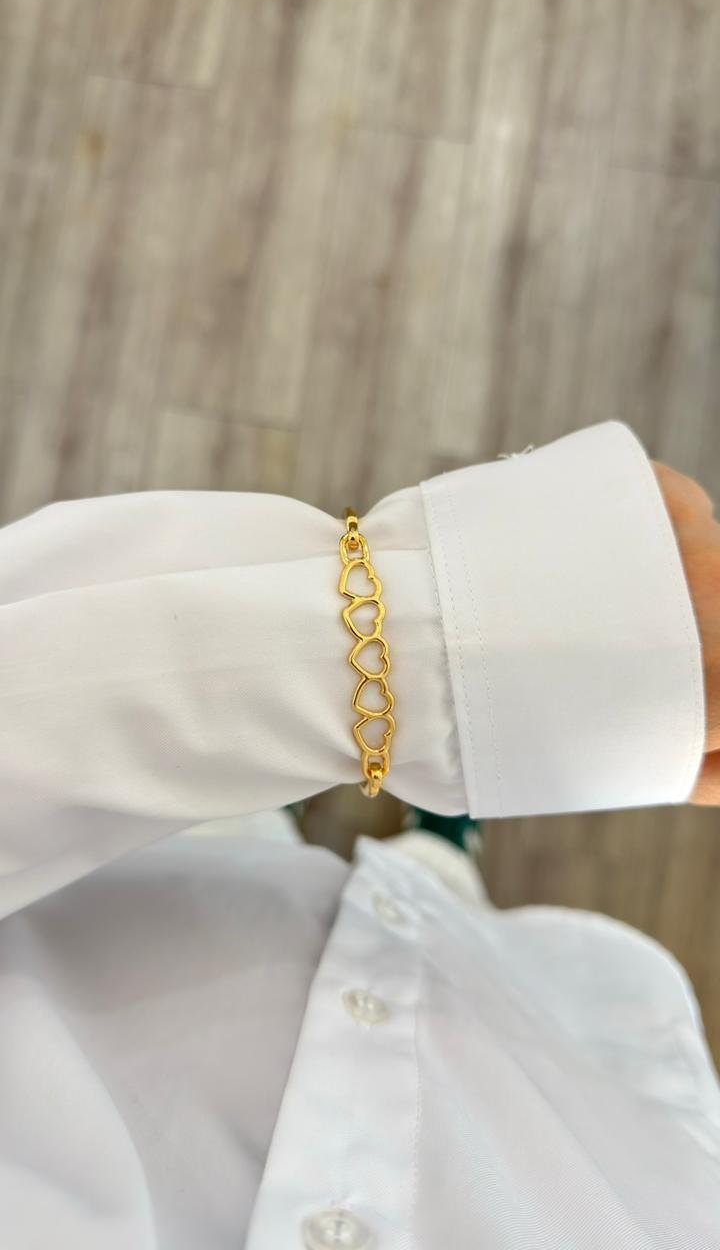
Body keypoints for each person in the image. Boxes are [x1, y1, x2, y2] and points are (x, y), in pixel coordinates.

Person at [0, 419, 718, 1249]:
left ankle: (287, 801)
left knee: (218, 842)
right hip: (493, 1072)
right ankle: (434, 846)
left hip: (123, 921)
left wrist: (437, 645)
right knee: (435, 898)